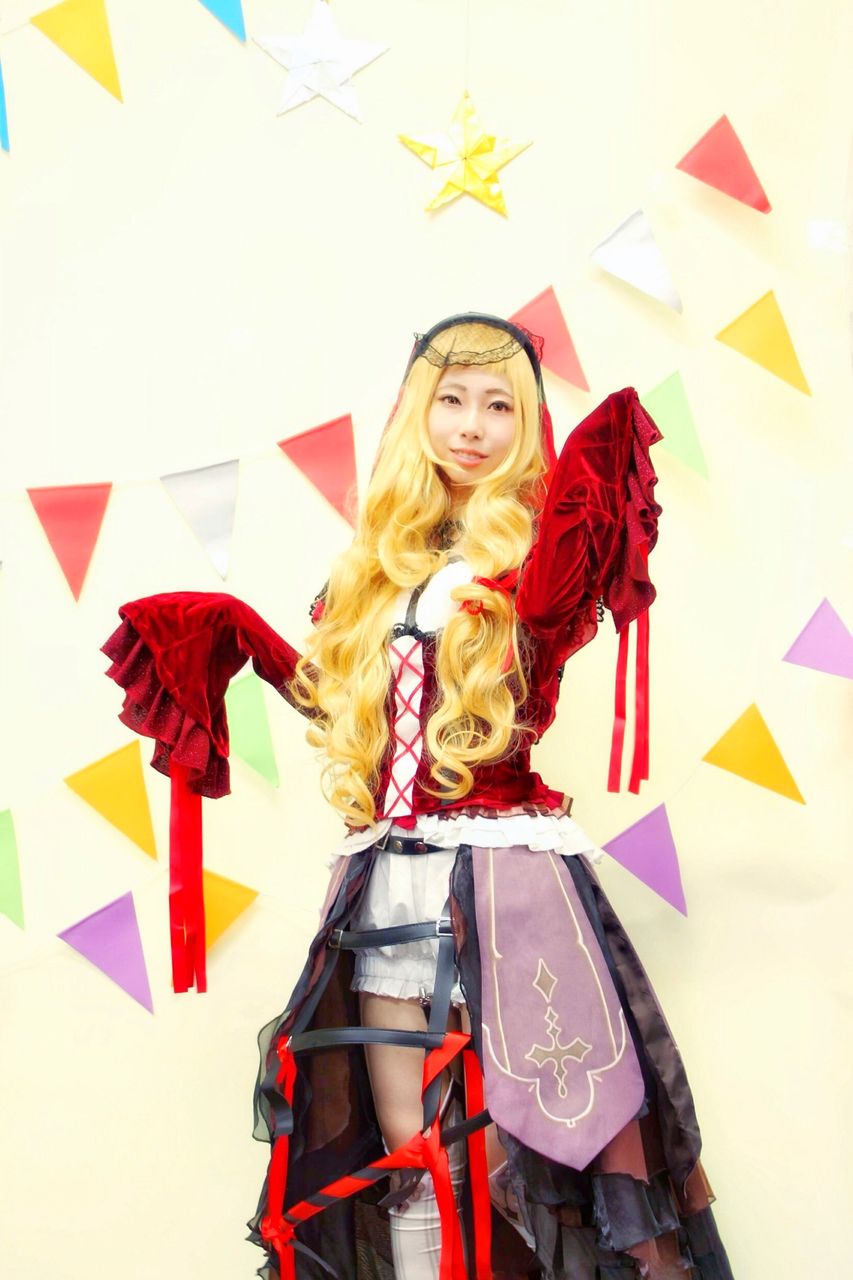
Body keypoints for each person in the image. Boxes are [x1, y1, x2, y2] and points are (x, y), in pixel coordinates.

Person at [103, 314, 734, 1280]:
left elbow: (554, 611)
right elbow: (343, 704)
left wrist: (586, 476)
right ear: (416, 413)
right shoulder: (377, 569)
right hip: (384, 883)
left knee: (529, 1146)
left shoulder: (533, 555)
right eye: (451, 400)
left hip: (505, 887)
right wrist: (235, 632)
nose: (471, 426)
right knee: (410, 1155)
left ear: (525, 423)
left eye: (498, 406)